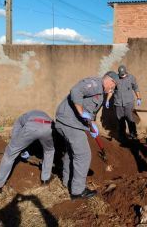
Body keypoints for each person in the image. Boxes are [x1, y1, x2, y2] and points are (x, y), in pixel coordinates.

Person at [55, 71, 119, 200]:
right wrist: (81, 112)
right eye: (113, 85)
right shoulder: (95, 84)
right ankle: (77, 192)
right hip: (70, 123)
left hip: (68, 122)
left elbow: (90, 112)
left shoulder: (101, 94)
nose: (112, 88)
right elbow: (76, 91)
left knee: (71, 153)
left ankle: (67, 181)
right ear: (110, 80)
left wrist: (92, 126)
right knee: (83, 155)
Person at [0, 110, 55, 193]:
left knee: (9, 154)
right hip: (48, 127)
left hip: (32, 126)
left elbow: (15, 133)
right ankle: (45, 179)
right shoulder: (45, 115)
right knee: (49, 151)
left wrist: (14, 145)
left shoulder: (21, 118)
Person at [106, 65, 141, 140]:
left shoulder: (131, 78)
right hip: (118, 104)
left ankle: (133, 134)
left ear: (126, 72)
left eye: (124, 74)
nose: (123, 76)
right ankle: (122, 136)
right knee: (120, 121)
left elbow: (136, 88)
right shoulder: (115, 79)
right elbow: (111, 91)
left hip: (129, 103)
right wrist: (107, 100)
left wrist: (139, 98)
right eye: (121, 75)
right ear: (119, 73)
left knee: (131, 119)